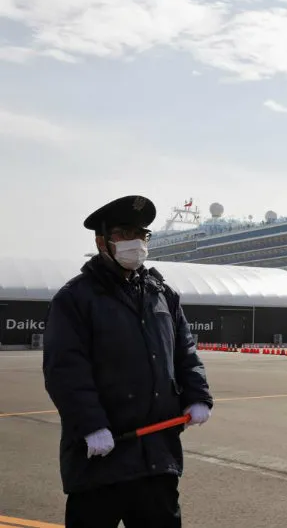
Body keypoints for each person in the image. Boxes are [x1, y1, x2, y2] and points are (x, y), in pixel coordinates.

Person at [42, 195, 214, 528]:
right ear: (101, 240)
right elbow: (65, 370)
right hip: (101, 456)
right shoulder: (75, 298)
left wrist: (197, 395)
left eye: (141, 233)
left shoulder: (162, 293)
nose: (135, 241)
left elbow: (185, 351)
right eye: (123, 232)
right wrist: (91, 425)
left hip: (156, 457)